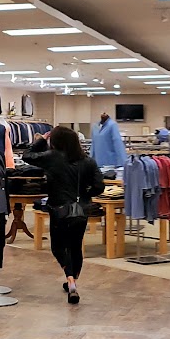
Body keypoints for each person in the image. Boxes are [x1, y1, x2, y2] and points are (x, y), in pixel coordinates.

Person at [24, 127, 103, 304]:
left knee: (58, 247)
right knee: (75, 246)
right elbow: (100, 186)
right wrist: (85, 194)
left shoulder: (52, 157)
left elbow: (27, 156)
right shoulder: (88, 161)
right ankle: (73, 280)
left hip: (59, 209)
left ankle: (70, 280)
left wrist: (41, 141)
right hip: (81, 209)